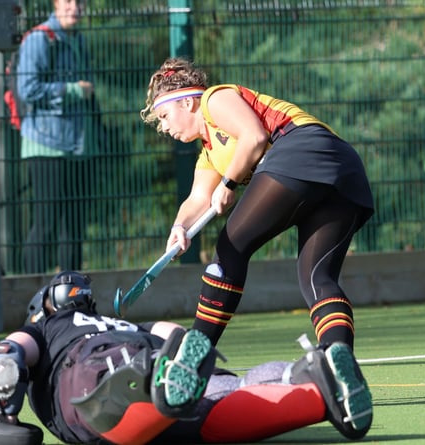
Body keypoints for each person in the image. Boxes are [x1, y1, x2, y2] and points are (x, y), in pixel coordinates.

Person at [0, 271, 372, 445]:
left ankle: (314, 384)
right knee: (222, 393)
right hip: (124, 370)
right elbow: (171, 333)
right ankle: (311, 385)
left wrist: (4, 407)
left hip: (115, 376)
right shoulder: (91, 323)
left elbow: (9, 356)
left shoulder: (55, 327)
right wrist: (186, 350)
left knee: (200, 394)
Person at [140, 57, 375, 358]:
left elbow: (254, 136)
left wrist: (228, 184)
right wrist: (179, 227)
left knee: (230, 248)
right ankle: (338, 361)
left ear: (187, 103)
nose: (163, 127)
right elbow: (198, 198)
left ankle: (193, 356)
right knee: (317, 278)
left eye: (164, 115)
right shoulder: (210, 155)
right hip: (343, 171)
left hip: (305, 147)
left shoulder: (214, 99)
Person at [17, 0, 94, 274]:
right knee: (46, 222)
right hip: (44, 143)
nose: (74, 7)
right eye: (68, 1)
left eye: (80, 2)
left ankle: (72, 295)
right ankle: (33, 293)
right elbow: (27, 89)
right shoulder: (39, 38)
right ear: (56, 4)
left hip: (77, 145)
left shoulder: (79, 39)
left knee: (73, 224)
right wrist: (72, 90)